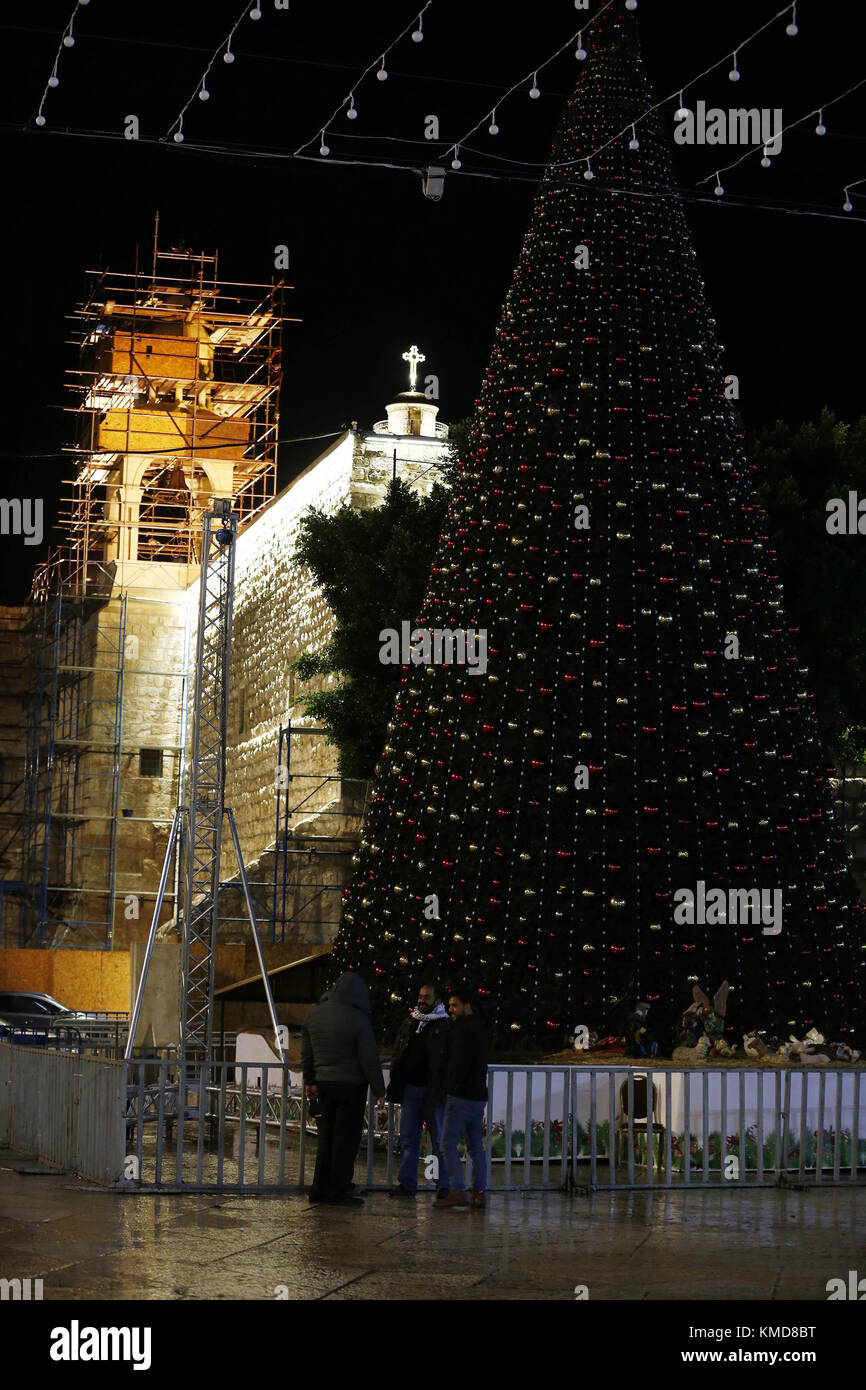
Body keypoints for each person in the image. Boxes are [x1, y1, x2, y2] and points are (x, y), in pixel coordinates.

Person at [301, 971, 385, 1207]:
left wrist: (310, 1080)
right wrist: (379, 1089)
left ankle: (319, 1188)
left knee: (326, 1139)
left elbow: (307, 1054)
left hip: (324, 1085)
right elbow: (368, 1059)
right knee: (345, 1141)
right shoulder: (358, 1019)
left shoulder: (314, 1015)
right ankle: (339, 1191)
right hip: (351, 1087)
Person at [385, 981, 451, 1200]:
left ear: (437, 1001)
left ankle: (444, 1185)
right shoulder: (411, 1022)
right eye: (420, 996)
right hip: (411, 1090)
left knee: (439, 1140)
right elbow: (399, 1051)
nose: (422, 1000)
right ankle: (407, 1185)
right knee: (408, 1139)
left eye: (427, 997)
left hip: (434, 1092)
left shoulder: (444, 1026)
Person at [435, 987, 488, 1211]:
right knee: (475, 1146)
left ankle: (457, 1190)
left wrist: (448, 1086)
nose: (450, 1009)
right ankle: (479, 1192)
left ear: (467, 1005)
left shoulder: (461, 1031)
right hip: (477, 1096)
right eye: (449, 1005)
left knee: (447, 1142)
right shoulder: (478, 1028)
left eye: (455, 1004)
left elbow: (457, 1064)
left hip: (461, 1096)